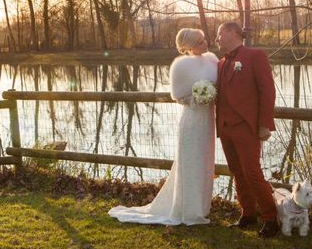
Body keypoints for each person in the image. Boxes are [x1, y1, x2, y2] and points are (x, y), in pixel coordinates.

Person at [108, 28, 218, 225]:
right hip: (192, 120)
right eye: (200, 42)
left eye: (203, 40)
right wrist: (199, 98)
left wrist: (211, 94)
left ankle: (201, 207)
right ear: (190, 46)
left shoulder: (212, 59)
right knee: (191, 163)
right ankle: (187, 210)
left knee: (205, 162)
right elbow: (178, 96)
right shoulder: (181, 65)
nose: (205, 43)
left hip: (208, 120)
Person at [215, 21, 279, 237]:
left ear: (233, 33)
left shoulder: (255, 56)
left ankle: (271, 218)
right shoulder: (221, 63)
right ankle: (248, 213)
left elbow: (267, 91)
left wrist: (264, 125)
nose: (217, 39)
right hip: (225, 127)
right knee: (237, 172)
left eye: (220, 34)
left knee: (252, 172)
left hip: (247, 126)